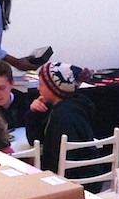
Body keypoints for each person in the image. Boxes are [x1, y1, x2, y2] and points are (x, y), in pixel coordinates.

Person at [25, 61, 104, 191]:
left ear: (54, 88)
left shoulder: (61, 117)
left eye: (41, 84)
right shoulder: (77, 106)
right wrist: (34, 113)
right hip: (92, 175)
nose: (38, 88)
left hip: (73, 183)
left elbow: (52, 159)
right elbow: (37, 140)